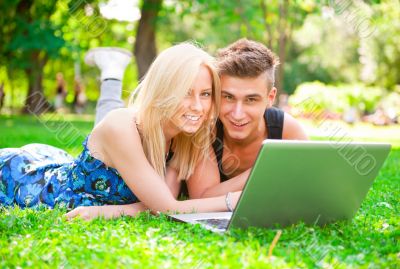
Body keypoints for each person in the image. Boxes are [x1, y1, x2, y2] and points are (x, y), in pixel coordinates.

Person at [0, 43, 241, 219]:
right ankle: (111, 71)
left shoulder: (189, 134)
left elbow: (167, 203)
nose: (198, 106)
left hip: (82, 173)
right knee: (112, 115)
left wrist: (113, 211)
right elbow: (167, 207)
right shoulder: (122, 126)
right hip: (30, 184)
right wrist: (233, 201)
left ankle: (111, 70)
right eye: (186, 92)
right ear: (164, 89)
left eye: (206, 94)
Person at [186, 39, 309, 199]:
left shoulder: (288, 131)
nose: (238, 114)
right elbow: (202, 198)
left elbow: (306, 189)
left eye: (251, 99)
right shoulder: (205, 130)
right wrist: (265, 169)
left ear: (270, 97)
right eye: (228, 97)